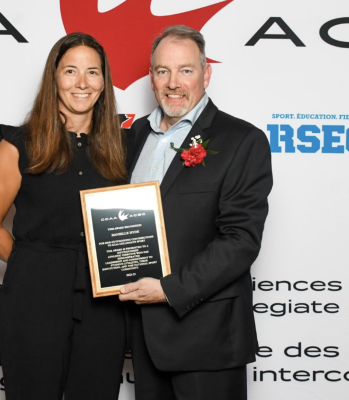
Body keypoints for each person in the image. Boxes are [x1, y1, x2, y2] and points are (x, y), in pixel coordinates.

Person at [119, 25, 273, 400]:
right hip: (143, 336)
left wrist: (169, 290)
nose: (174, 83)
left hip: (208, 338)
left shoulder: (242, 140)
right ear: (151, 78)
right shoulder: (130, 136)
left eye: (185, 70)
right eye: (162, 71)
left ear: (206, 74)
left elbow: (240, 240)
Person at [0, 32, 127, 400]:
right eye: (70, 71)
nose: (82, 83)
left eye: (93, 72)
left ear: (104, 82)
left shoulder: (123, 147)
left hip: (102, 304)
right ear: (53, 77)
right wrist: (36, 265)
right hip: (33, 300)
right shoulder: (19, 144)